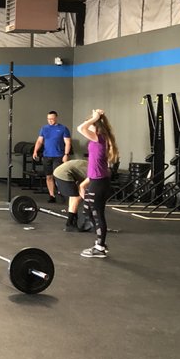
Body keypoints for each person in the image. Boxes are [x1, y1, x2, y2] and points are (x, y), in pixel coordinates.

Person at [76, 109, 119, 258]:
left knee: (97, 214)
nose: (88, 126)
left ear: (95, 125)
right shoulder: (100, 139)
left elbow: (80, 128)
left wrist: (94, 118)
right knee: (87, 211)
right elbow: (96, 167)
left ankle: (100, 247)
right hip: (97, 181)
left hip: (99, 184)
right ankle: (100, 242)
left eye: (91, 124)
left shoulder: (99, 138)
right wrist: (83, 184)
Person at [32, 110, 72, 203]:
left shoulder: (63, 128)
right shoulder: (44, 128)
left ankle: (61, 192)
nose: (50, 120)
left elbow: (68, 142)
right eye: (48, 119)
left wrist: (66, 154)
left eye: (52, 119)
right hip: (47, 156)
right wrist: (35, 151)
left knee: (57, 175)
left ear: (56, 118)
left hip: (58, 156)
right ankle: (52, 195)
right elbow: (39, 141)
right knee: (49, 176)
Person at [52, 157, 89, 232]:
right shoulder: (96, 173)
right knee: (76, 197)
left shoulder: (91, 167)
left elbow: (80, 184)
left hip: (60, 171)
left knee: (74, 196)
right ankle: (70, 224)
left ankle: (72, 223)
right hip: (63, 174)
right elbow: (82, 186)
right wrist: (87, 200)